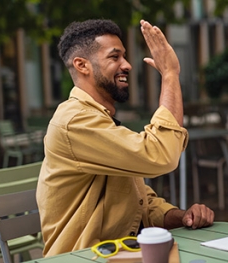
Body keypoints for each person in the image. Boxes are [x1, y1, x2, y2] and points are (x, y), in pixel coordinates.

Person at [37, 19, 214, 257]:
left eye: (125, 56)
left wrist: (182, 217)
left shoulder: (97, 118)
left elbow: (140, 202)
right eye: (114, 57)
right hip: (82, 257)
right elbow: (160, 155)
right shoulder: (75, 120)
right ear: (82, 65)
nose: (128, 65)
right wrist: (170, 74)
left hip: (119, 254)